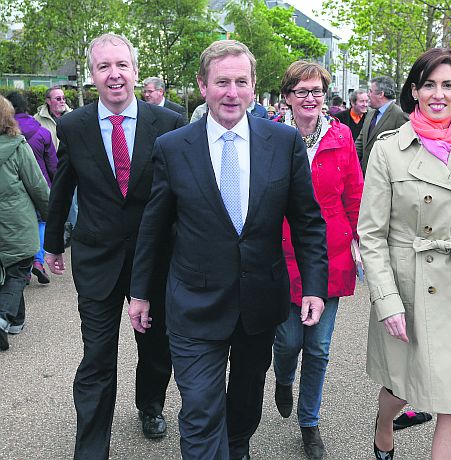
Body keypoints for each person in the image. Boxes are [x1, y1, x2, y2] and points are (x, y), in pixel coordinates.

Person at [127, 40, 328, 460]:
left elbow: (307, 221)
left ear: (254, 86)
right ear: (203, 86)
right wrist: (141, 293)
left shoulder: (284, 141)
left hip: (259, 303)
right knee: (200, 411)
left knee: (243, 408)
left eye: (241, 81)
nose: (231, 92)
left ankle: (236, 448)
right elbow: (154, 227)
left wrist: (313, 287)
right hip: (194, 304)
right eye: (222, 82)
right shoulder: (173, 147)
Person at [43, 33, 184, 459]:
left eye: (121, 65)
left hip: (155, 259)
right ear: (92, 76)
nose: (114, 74)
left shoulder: (170, 124)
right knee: (97, 356)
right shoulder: (74, 126)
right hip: (97, 258)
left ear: (136, 72)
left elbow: (181, 196)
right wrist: (52, 245)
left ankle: (150, 404)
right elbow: (62, 189)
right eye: (104, 67)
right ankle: (91, 448)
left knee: (156, 348)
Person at [358, 47, 451, 460]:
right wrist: (387, 301)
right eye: (429, 85)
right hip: (411, 288)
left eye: (448, 85)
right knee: (404, 388)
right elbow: (370, 234)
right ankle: (384, 422)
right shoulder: (389, 150)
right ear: (415, 92)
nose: (438, 94)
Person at [273, 60, 364, 460]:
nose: (310, 99)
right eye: (301, 91)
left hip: (330, 253)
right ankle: (282, 378)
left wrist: (361, 240)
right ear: (287, 97)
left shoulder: (341, 136)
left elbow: (354, 193)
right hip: (281, 252)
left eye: (317, 91)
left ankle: (310, 424)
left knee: (320, 347)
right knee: (289, 340)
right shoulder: (272, 136)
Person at [0, 94, 50, 351]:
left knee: (6, 270)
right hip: (16, 221)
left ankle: (16, 321)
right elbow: (37, 185)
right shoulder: (18, 146)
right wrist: (52, 215)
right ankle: (2, 318)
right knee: (19, 270)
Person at [7, 91, 57, 284]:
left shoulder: (7, 134)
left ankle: (24, 268)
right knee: (42, 223)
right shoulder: (42, 131)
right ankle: (38, 261)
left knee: (20, 228)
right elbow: (53, 164)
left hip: (16, 189)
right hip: (40, 184)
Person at [34, 86, 76, 245]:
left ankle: (74, 235)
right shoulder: (37, 120)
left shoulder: (73, 117)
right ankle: (56, 236)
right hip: (48, 171)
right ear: (48, 101)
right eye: (58, 98)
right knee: (54, 203)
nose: (62, 101)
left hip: (72, 168)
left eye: (64, 98)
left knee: (74, 205)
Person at [355, 76, 408, 174]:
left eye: (370, 91)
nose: (368, 94)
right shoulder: (370, 113)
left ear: (381, 94)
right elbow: (360, 141)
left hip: (385, 176)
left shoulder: (399, 115)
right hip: (364, 174)